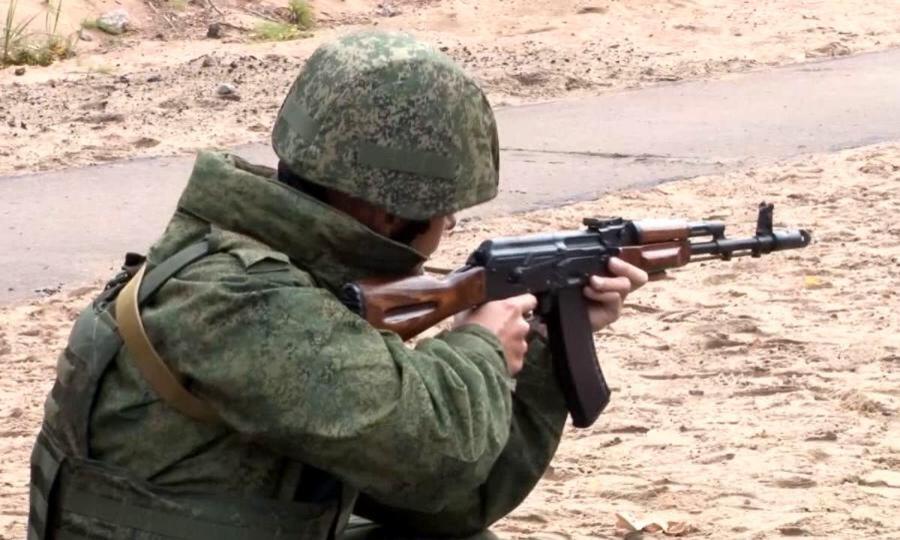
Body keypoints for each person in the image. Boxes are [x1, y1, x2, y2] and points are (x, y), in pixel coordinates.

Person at [27, 31, 648, 539]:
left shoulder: (270, 268)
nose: (450, 226)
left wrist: (542, 345)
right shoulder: (242, 300)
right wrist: (480, 345)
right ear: (387, 213)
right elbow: (440, 460)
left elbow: (452, 506)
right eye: (449, 212)